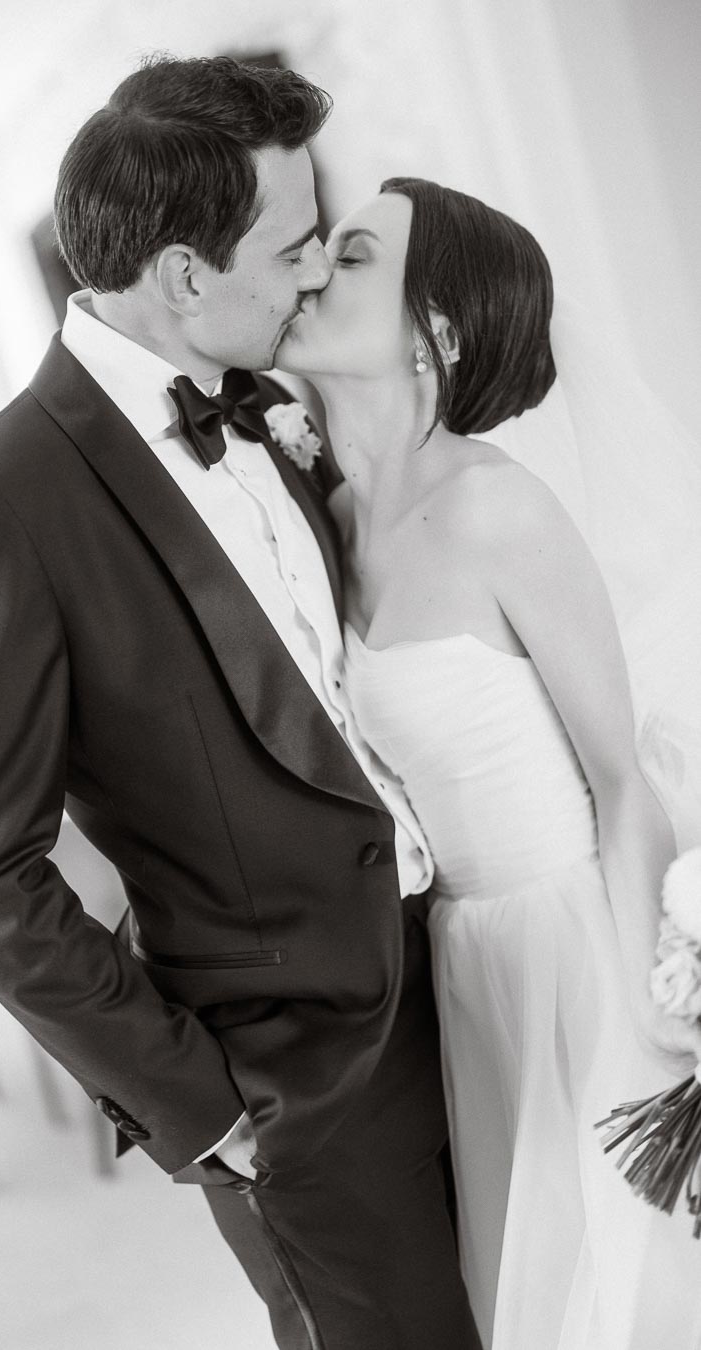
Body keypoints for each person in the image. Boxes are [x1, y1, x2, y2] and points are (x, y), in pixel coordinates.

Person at [0, 58, 480, 1350]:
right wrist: (209, 1107)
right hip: (298, 1088)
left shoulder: (272, 404)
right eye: (292, 246)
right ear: (183, 275)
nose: (317, 272)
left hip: (466, 980)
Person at [276, 176, 701, 1350]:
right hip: (461, 959)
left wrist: (659, 1021)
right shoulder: (321, 511)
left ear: (437, 333)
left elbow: (619, 781)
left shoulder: (498, 512)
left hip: (576, 944)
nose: (311, 270)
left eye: (351, 256)